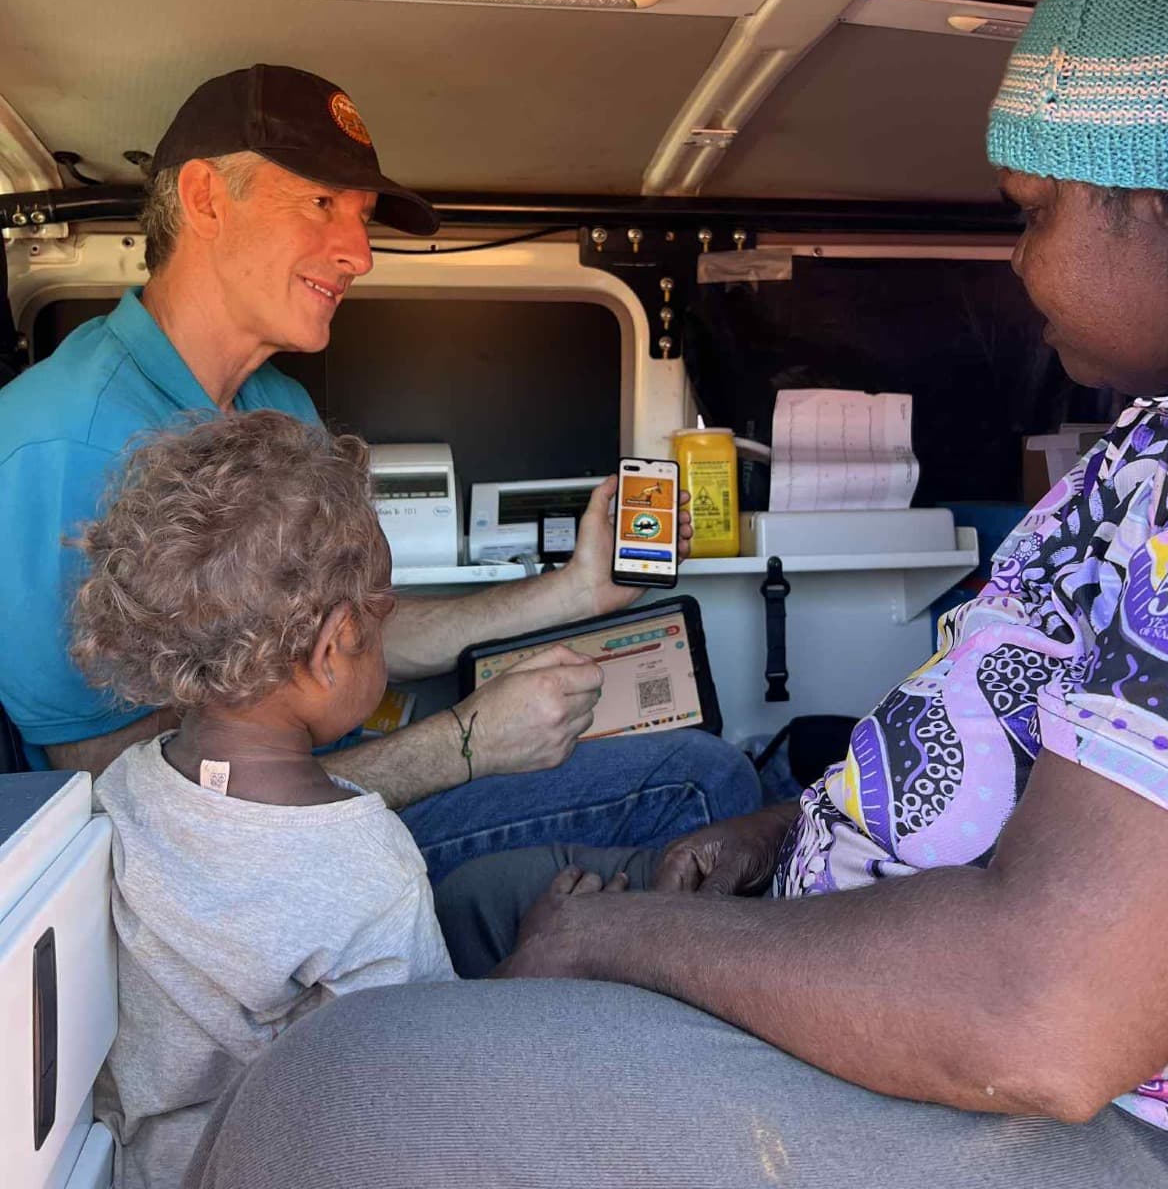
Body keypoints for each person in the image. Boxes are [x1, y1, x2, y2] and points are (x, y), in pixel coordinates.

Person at [185, 0, 1168, 1189]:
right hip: (867, 918)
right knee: (486, 912)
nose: (1014, 256)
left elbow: (1045, 1011)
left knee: (332, 1097)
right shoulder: (1148, 447)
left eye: (1033, 211)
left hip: (1072, 1114)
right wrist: (787, 821)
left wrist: (631, 939)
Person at [0, 63, 759, 880]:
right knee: (703, 783)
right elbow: (106, 795)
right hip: (236, 864)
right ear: (205, 198)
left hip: (330, 791)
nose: (359, 252)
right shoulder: (63, 442)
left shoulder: (275, 402)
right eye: (322, 205)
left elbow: (344, 639)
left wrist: (574, 592)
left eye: (361, 218)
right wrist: (460, 745)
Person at [74, 411, 457, 1188]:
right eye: (382, 622)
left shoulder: (126, 786)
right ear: (333, 647)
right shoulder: (370, 872)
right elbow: (420, 1090)